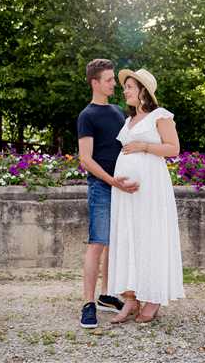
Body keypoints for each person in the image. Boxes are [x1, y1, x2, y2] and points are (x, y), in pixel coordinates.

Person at [108, 68, 185, 324]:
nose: (125, 90)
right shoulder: (128, 120)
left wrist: (144, 146)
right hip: (126, 195)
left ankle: (153, 298)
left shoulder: (159, 116)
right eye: (125, 87)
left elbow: (173, 148)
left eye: (129, 87)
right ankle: (130, 298)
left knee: (149, 236)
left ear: (143, 90)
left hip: (150, 190)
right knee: (129, 238)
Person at [77, 59, 139, 328]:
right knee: (97, 243)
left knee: (115, 244)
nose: (114, 84)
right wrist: (112, 181)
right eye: (109, 80)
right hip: (102, 187)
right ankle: (88, 303)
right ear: (95, 83)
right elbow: (85, 159)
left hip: (122, 187)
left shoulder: (117, 112)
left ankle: (106, 295)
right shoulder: (87, 116)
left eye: (114, 80)